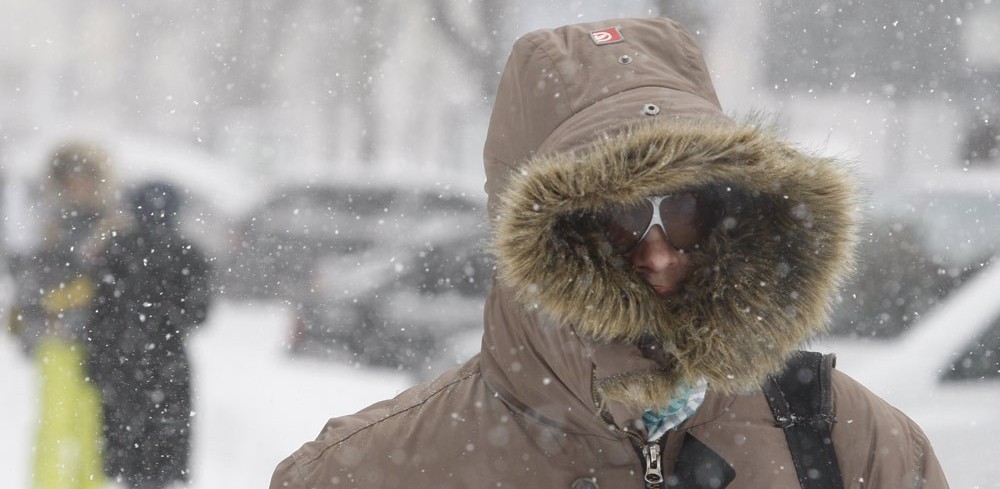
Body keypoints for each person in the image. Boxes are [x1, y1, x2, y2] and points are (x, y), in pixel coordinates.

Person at [269, 17, 948, 488]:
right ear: (544, 239)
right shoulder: (367, 471)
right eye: (622, 220)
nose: (659, 256)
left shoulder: (850, 444)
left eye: (684, 210)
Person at [85, 181, 212, 489]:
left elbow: (99, 312)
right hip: (168, 364)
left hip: (123, 363)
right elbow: (199, 313)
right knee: (162, 459)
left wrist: (97, 358)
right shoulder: (188, 252)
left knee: (130, 458)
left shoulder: (117, 248)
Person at [7, 141, 117, 489]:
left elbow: (119, 281)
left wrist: (92, 293)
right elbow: (27, 277)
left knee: (91, 427)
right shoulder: (45, 224)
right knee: (54, 425)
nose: (77, 186)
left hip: (99, 341)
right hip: (55, 339)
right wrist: (52, 300)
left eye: (84, 178)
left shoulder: (110, 224)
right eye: (71, 178)